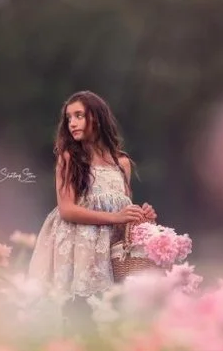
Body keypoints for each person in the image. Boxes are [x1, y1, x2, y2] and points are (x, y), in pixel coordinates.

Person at [28, 91, 155, 302]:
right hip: (80, 251)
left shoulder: (121, 163)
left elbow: (123, 213)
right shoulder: (69, 158)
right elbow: (67, 210)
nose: (72, 123)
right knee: (80, 309)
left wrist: (141, 216)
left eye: (79, 115)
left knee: (113, 311)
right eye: (69, 118)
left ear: (96, 118)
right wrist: (116, 217)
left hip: (111, 251)